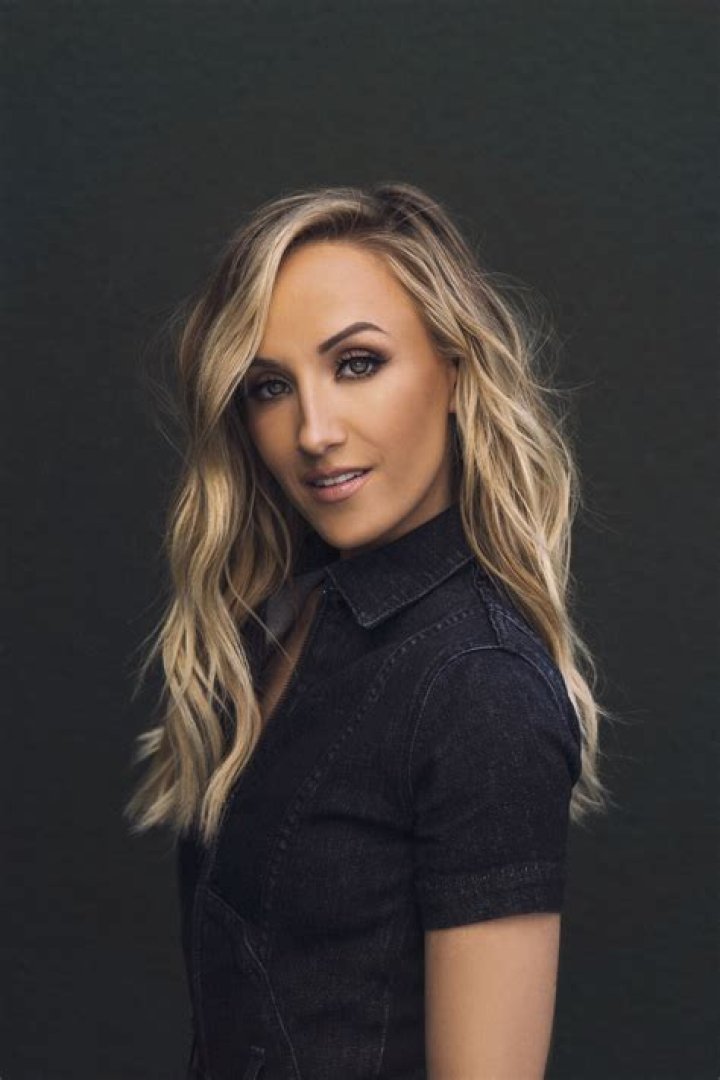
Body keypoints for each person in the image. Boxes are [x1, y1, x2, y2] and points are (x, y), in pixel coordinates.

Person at [124, 182, 613, 1079]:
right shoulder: (284, 622)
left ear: (455, 371)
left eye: (356, 364)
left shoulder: (479, 684)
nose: (313, 432)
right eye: (271, 386)